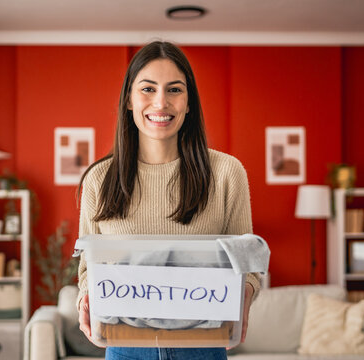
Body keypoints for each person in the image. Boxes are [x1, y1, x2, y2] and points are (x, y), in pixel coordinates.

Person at [76, 41, 261, 360]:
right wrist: (85, 297)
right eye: (148, 89)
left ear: (189, 103)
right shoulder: (99, 179)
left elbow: (247, 264)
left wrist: (245, 292)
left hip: (203, 346)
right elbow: (87, 268)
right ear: (129, 101)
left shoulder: (227, 173)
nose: (161, 103)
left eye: (174, 90)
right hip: (126, 346)